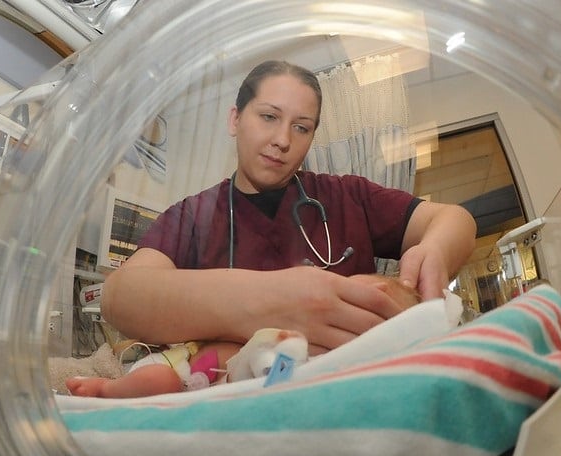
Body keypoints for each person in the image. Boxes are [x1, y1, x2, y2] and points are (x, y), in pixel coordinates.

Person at [101, 60, 477, 356]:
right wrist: (272, 300)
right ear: (235, 119)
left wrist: (435, 251)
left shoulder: (347, 197)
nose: (282, 140)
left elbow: (453, 219)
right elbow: (121, 297)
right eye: (268, 117)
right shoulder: (191, 218)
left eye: (301, 127)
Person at [67, 275, 422, 398]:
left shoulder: (324, 362)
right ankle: (105, 390)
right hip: (176, 365)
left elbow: (279, 383)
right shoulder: (293, 327)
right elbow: (118, 295)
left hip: (198, 387)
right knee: (158, 380)